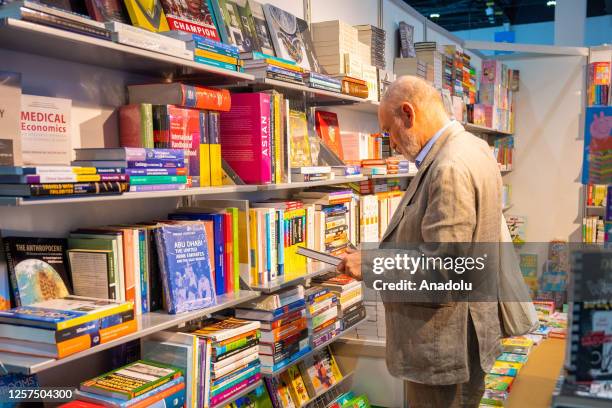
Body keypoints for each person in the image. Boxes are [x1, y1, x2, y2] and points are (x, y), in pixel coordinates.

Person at [338, 76, 503, 408]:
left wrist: (369, 264)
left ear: (408, 114)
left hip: (444, 349)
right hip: (463, 336)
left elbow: (444, 271)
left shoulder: (449, 166)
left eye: (389, 131)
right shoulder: (476, 148)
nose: (392, 143)